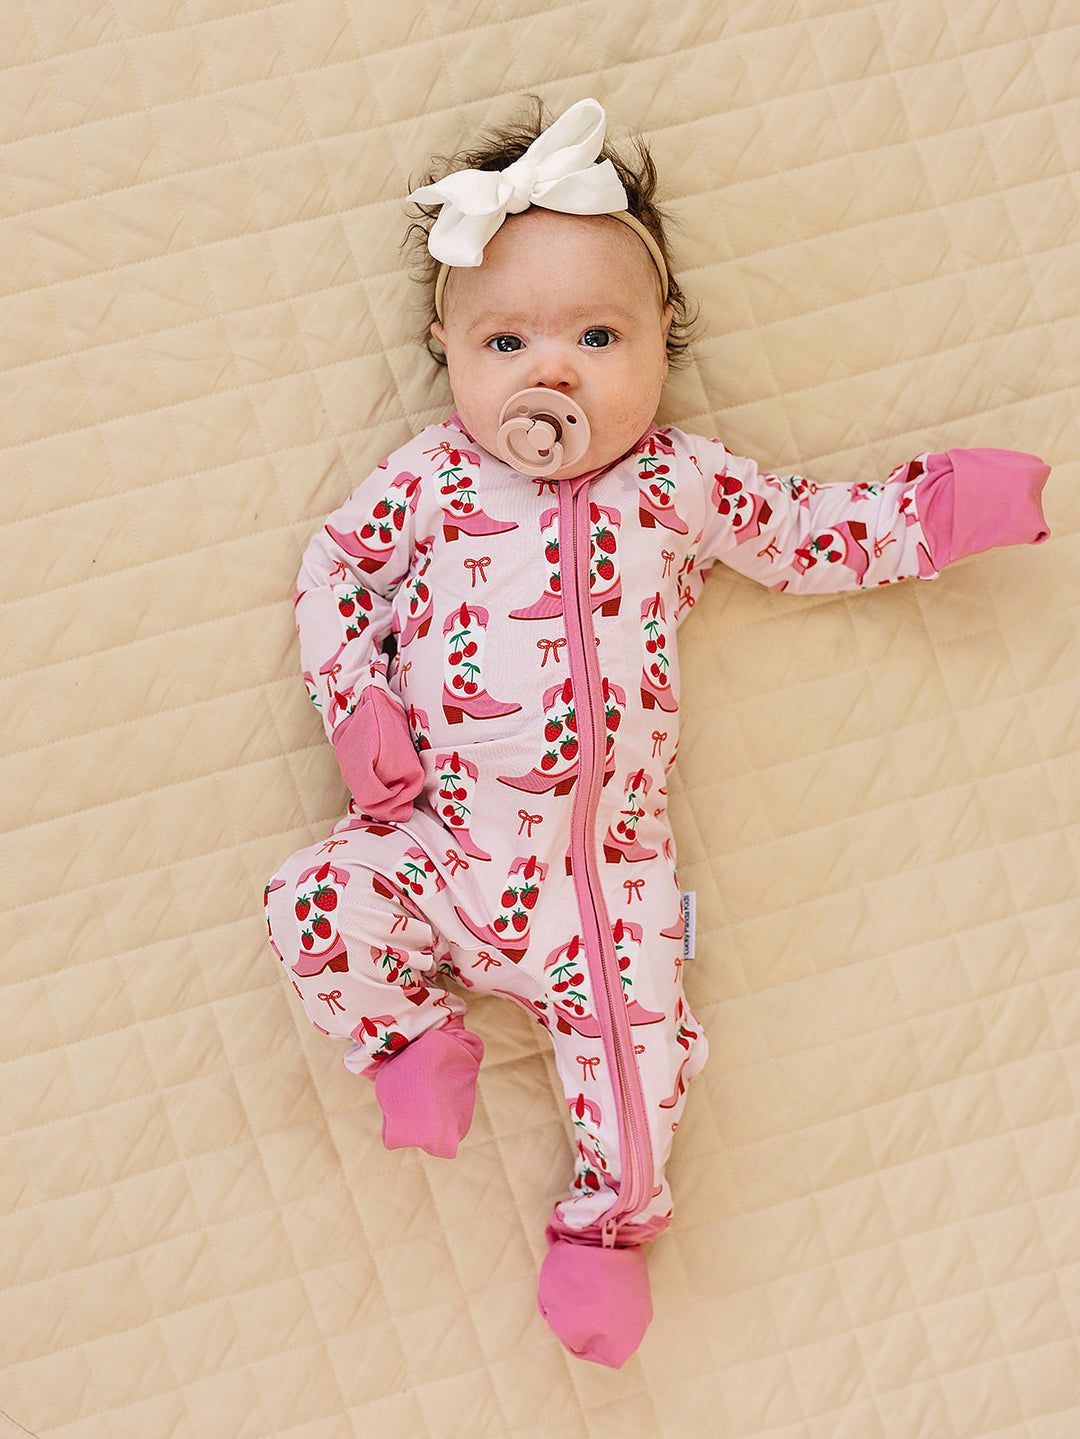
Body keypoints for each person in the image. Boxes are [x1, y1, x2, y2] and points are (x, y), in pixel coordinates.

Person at [263, 98, 1050, 1367]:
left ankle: (604, 1228)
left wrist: (938, 510)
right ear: (446, 349)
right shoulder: (428, 482)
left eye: (597, 334)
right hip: (443, 844)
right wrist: (355, 702)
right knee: (308, 898)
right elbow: (334, 569)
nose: (551, 371)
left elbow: (802, 533)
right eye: (506, 337)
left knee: (642, 1061)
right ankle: (405, 1039)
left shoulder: (679, 481)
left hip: (604, 884)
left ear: (664, 342)